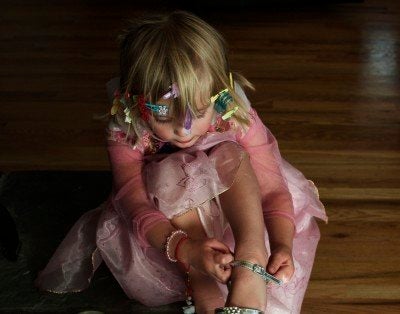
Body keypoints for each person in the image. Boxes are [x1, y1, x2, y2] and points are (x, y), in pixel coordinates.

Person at [35, 11, 327, 314]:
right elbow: (132, 202)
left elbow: (271, 187)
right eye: (163, 116)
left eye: (199, 112)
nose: (183, 130)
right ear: (136, 102)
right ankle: (204, 289)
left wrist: (281, 244)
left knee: (229, 151)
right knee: (169, 171)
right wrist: (185, 248)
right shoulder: (126, 128)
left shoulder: (234, 114)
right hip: (169, 231)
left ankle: (250, 260)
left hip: (238, 214)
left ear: (218, 93)